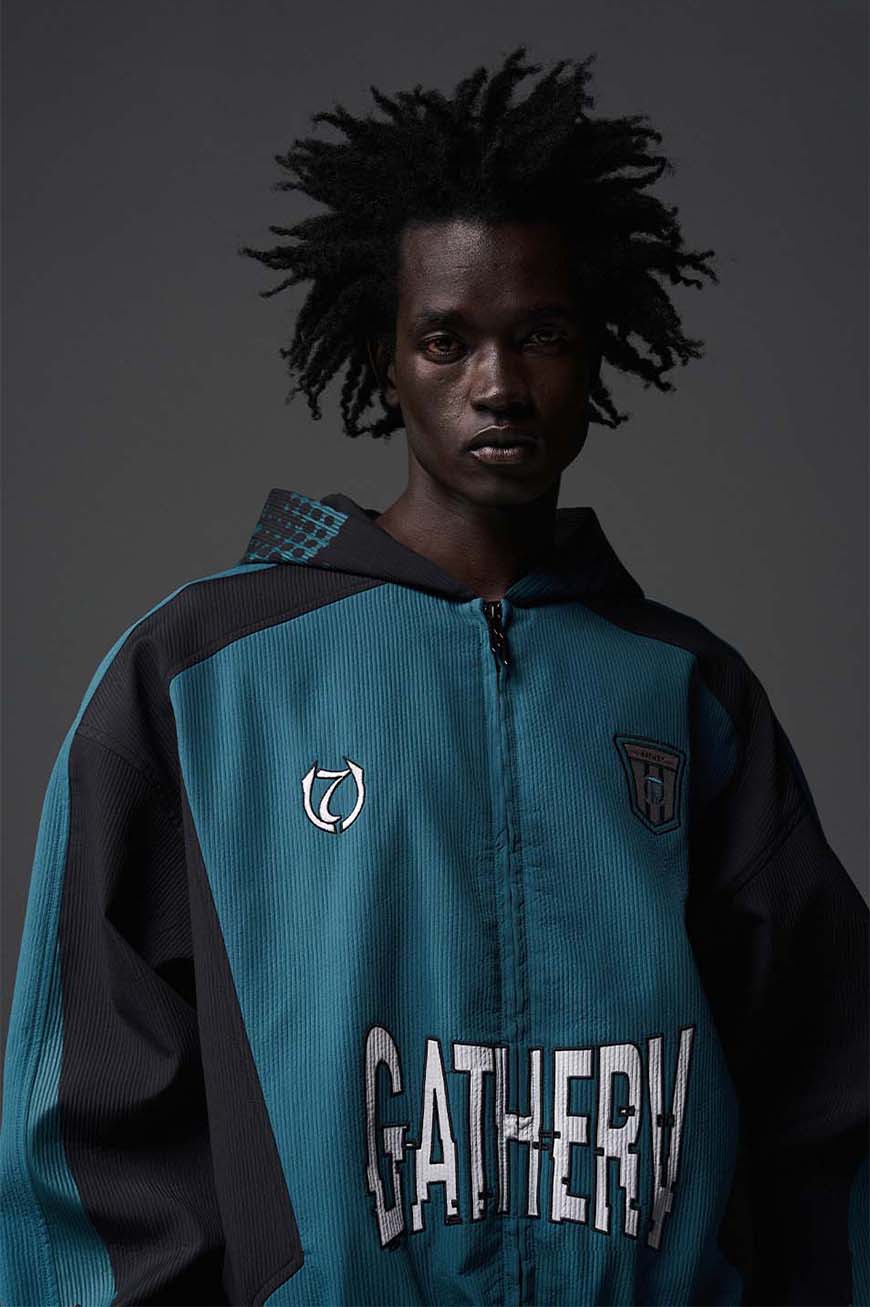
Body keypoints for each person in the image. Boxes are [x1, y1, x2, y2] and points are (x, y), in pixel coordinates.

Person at [1, 45, 867, 1307]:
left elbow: (831, 1101)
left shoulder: (688, 694)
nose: (498, 385)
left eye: (541, 336)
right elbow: (86, 1124)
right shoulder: (199, 676)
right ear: (386, 358)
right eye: (448, 340)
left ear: (596, 350)